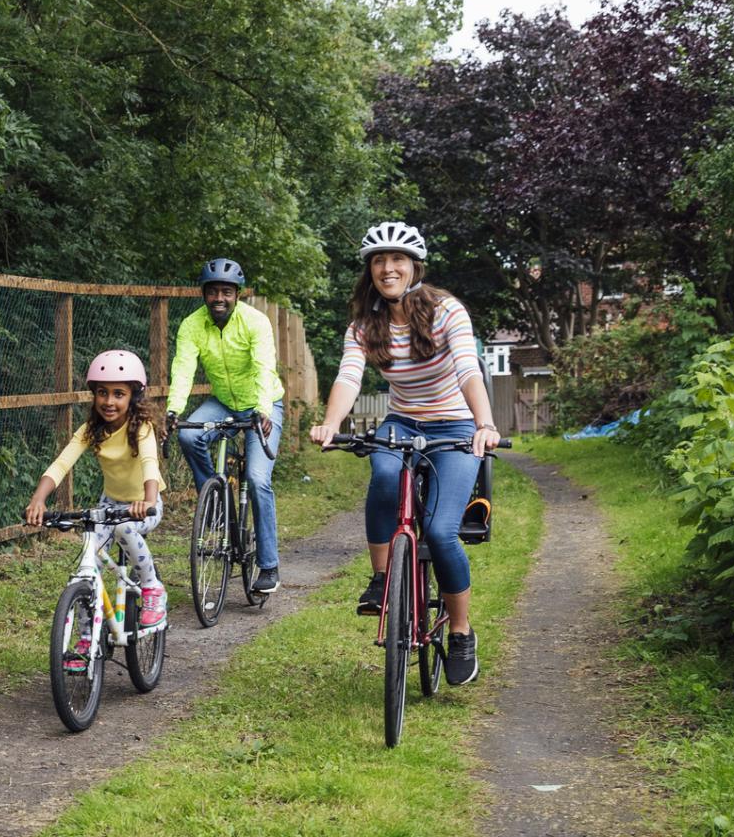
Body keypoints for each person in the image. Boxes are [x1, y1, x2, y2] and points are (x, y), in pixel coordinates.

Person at [306, 221, 499, 686]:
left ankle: (460, 631)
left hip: (453, 423)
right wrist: (331, 424)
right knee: (385, 476)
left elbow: (468, 369)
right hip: (403, 421)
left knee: (441, 530)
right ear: (369, 270)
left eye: (397, 261)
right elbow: (349, 378)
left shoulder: (446, 311)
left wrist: (484, 422)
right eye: (379, 261)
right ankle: (380, 579)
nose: (387, 268)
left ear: (415, 268)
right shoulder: (362, 326)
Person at [26, 349, 168, 667]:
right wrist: (38, 498)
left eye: (119, 394)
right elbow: (62, 463)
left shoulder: (141, 426)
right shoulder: (91, 429)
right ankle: (87, 637)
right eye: (102, 393)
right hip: (110, 503)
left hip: (146, 503)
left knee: (124, 527)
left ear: (133, 396)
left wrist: (146, 500)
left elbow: (149, 463)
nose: (109, 401)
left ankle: (152, 587)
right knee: (87, 567)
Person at [166, 258, 286, 594]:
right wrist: (174, 410)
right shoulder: (192, 325)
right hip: (223, 404)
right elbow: (183, 369)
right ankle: (215, 502)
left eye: (227, 291)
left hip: (263, 403)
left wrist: (262, 409)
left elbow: (265, 367)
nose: (220, 297)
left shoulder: (255, 322)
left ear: (237, 294)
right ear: (204, 294)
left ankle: (269, 564)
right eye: (213, 291)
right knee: (189, 434)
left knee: (258, 479)